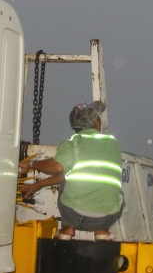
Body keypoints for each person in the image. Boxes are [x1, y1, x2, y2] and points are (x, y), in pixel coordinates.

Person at [18, 100, 123, 240]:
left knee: (68, 184)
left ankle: (67, 230)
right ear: (95, 123)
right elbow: (65, 172)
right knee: (115, 190)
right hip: (107, 217)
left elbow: (58, 168)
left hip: (76, 216)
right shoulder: (112, 142)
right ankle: (102, 232)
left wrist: (30, 164)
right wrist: (37, 185)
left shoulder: (73, 143)